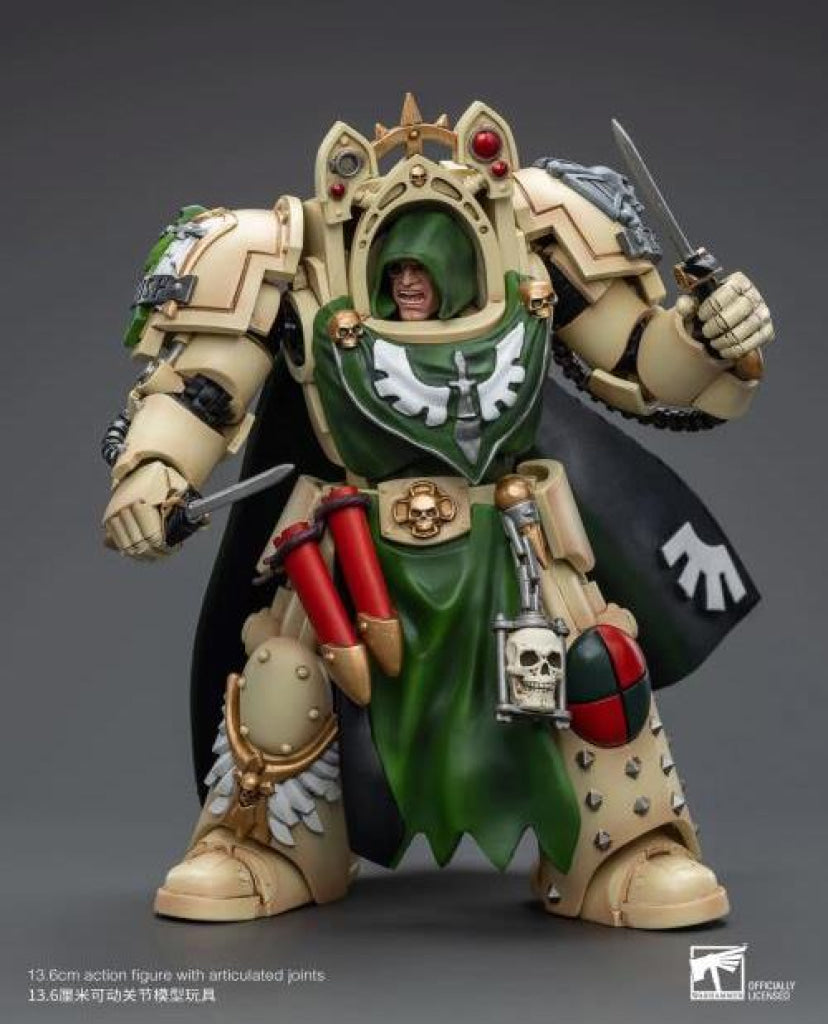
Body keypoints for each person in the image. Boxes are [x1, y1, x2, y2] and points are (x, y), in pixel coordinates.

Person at [101, 95, 773, 928]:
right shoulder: (285, 254)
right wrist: (155, 472)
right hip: (348, 540)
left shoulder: (534, 237)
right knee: (284, 674)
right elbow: (200, 390)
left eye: (427, 269)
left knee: (591, 663)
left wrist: (707, 335)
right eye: (396, 273)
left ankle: (625, 844)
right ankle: (269, 841)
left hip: (513, 535)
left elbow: (641, 359)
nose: (409, 285)